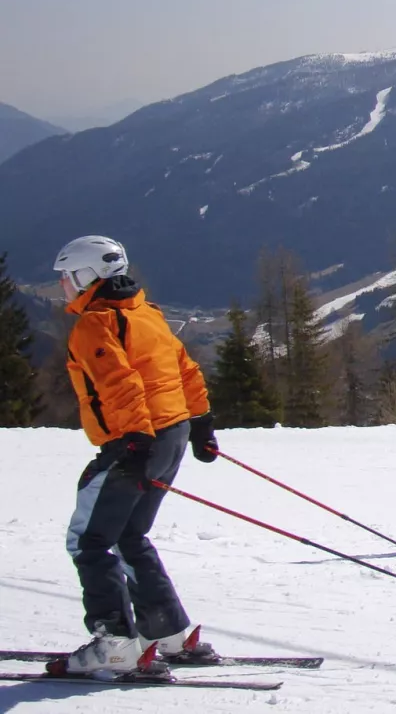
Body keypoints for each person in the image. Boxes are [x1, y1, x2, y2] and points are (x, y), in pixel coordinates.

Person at [52, 235, 220, 677]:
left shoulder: (96, 323)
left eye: (67, 278)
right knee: (129, 536)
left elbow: (118, 383)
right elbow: (184, 367)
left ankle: (115, 645)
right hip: (171, 434)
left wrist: (132, 441)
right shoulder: (146, 314)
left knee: (89, 540)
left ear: (87, 277)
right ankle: (168, 634)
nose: (62, 287)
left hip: (136, 441)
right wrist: (200, 422)